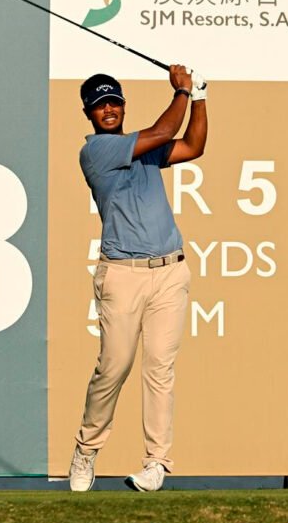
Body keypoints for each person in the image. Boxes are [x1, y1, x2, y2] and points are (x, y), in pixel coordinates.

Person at [68, 65, 207, 492]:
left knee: (160, 368)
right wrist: (182, 90)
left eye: (113, 102)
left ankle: (156, 462)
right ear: (89, 114)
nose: (108, 110)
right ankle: (86, 449)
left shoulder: (144, 149)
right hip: (122, 275)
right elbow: (165, 130)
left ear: (123, 105)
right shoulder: (96, 152)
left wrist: (200, 97)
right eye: (100, 106)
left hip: (169, 271)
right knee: (113, 368)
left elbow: (193, 146)